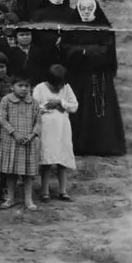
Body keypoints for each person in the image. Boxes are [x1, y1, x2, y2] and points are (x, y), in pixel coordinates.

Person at [63, 0, 127, 157]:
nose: (86, 11)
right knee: (78, 107)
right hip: (77, 75)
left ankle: (101, 146)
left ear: (95, 10)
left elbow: (106, 51)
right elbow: (64, 48)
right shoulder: (71, 28)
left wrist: (83, 50)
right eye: (82, 8)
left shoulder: (103, 28)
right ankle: (77, 146)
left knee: (98, 109)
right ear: (78, 9)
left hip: (98, 75)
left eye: (89, 8)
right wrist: (89, 50)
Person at [33, 64, 78, 202]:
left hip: (63, 129)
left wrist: (60, 102)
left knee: (62, 159)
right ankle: (44, 190)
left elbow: (74, 106)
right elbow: (35, 107)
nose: (58, 88)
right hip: (47, 129)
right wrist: (48, 107)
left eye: (60, 85)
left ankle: (63, 190)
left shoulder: (66, 88)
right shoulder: (40, 88)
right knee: (47, 159)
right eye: (55, 85)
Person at [0, 75, 42, 210]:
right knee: (11, 172)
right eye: (20, 85)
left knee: (28, 173)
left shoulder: (34, 102)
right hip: (11, 141)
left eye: (26, 86)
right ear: (12, 87)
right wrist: (14, 133)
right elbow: (2, 119)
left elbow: (39, 121)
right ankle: (10, 198)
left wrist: (32, 135)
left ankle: (28, 199)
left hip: (29, 142)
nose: (23, 89)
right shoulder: (6, 100)